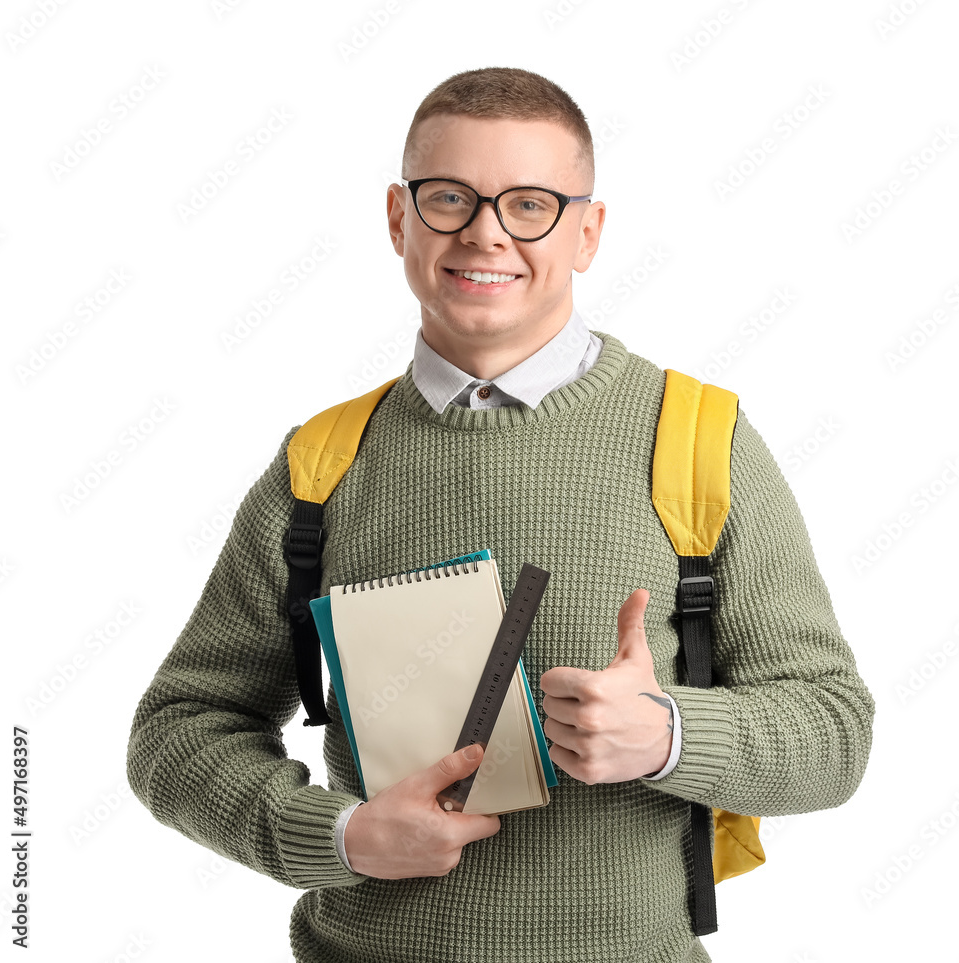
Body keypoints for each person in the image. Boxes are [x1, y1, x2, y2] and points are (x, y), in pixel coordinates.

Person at [126, 66, 875, 962]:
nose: (486, 233)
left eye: (531, 205)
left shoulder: (698, 439)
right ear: (399, 218)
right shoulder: (320, 466)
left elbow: (835, 730)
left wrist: (667, 734)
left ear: (588, 232)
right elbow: (180, 728)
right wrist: (338, 836)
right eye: (450, 198)